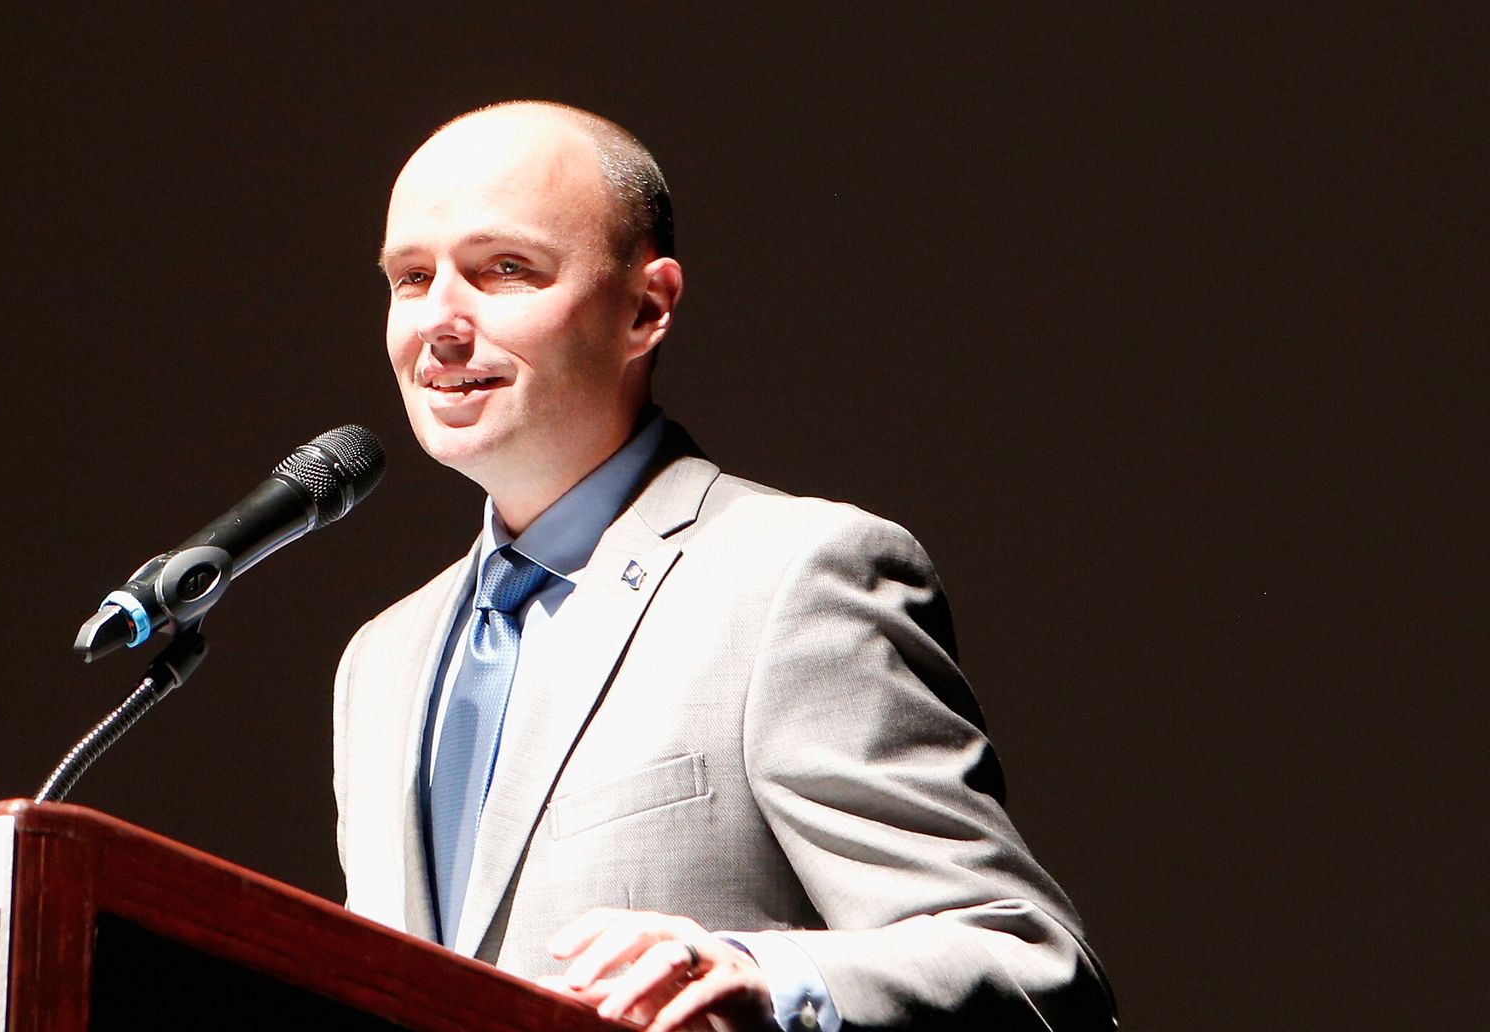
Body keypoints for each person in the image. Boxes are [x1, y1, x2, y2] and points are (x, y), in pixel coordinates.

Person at [332, 101, 1117, 1031]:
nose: (441, 323)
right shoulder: (381, 661)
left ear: (646, 308)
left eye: (506, 270)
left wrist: (766, 976)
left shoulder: (794, 576)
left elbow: (1032, 964)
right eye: (411, 278)